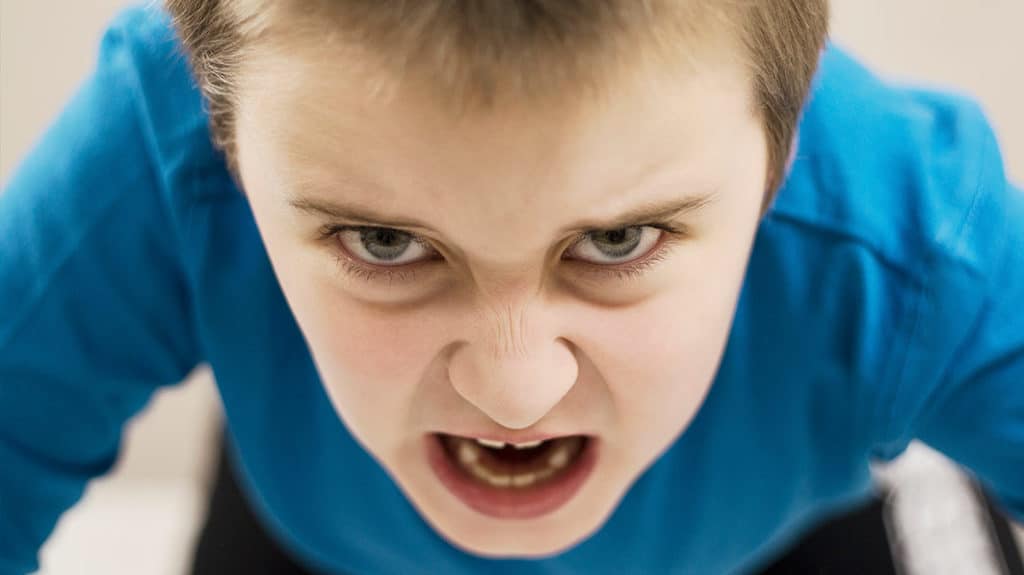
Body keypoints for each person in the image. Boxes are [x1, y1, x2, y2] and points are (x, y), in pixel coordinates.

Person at [1, 1, 1021, 573]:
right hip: (316, 532)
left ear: (780, 152)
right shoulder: (151, 153)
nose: (514, 395)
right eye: (385, 241)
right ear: (224, 146)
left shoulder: (914, 240)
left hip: (776, 543)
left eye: (616, 239)